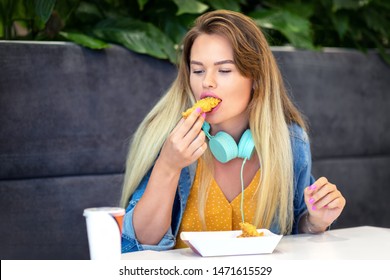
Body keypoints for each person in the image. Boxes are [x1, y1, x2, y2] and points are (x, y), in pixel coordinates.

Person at [120, 9, 346, 252]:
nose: (207, 82)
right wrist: (168, 165)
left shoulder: (289, 142)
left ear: (256, 78)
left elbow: (297, 229)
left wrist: (316, 221)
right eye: (198, 70)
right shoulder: (170, 137)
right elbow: (139, 244)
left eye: (224, 70)